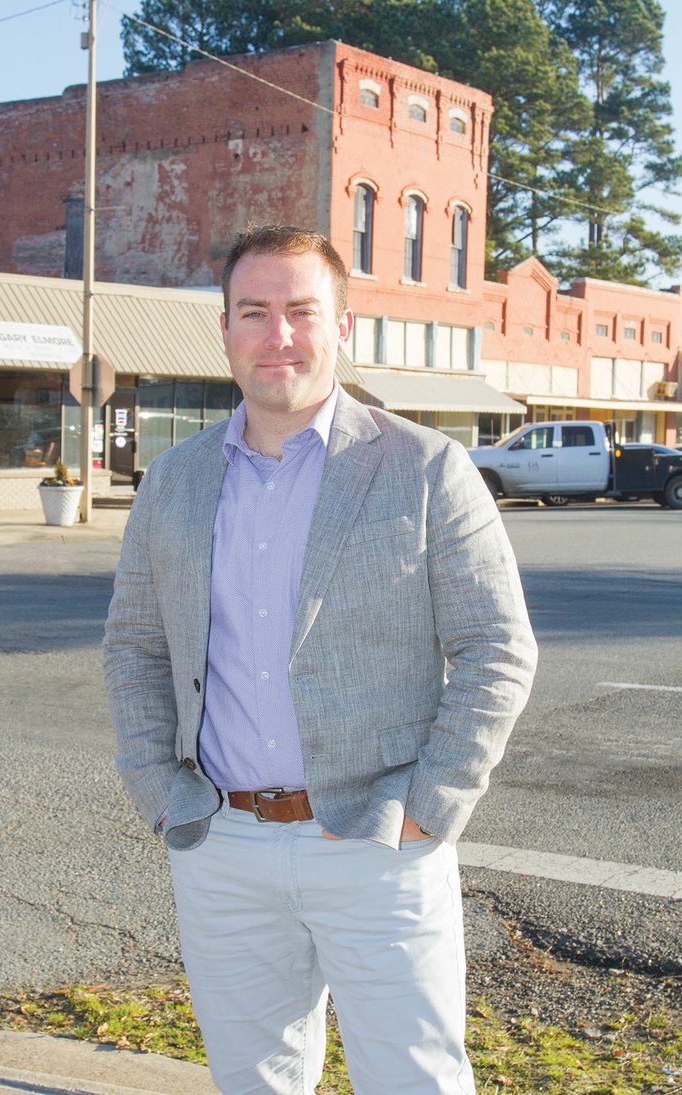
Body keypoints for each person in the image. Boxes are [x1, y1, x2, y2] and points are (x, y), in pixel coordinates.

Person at [103, 224, 538, 1094]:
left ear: (343, 327)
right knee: (253, 1080)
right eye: (254, 312)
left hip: (380, 840)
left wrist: (429, 804)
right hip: (220, 841)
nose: (280, 335)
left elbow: (498, 647)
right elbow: (135, 646)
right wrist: (161, 791)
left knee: (414, 1079)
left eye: (302, 310)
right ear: (224, 330)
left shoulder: (425, 468)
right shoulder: (175, 481)